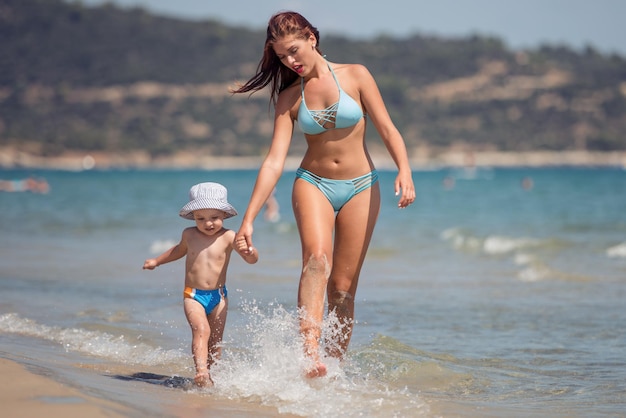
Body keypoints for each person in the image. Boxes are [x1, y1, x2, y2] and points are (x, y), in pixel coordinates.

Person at [231, 11, 415, 378]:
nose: (290, 61)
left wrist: (405, 170)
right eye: (282, 57)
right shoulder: (288, 98)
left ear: (312, 38)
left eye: (294, 51)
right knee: (316, 260)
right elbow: (273, 162)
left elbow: (388, 128)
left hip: (362, 186)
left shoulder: (357, 75)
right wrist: (248, 220)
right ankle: (310, 356)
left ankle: (334, 368)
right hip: (313, 183)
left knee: (344, 291)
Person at [143, 182, 258, 387]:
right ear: (193, 217)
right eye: (200, 218)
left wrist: (250, 251)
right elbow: (178, 251)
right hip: (193, 295)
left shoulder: (229, 237)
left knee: (215, 341)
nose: (208, 223)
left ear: (224, 214)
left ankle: (214, 378)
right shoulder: (189, 235)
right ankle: (201, 372)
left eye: (214, 217)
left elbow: (252, 260)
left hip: (219, 297)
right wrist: (156, 261)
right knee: (201, 330)